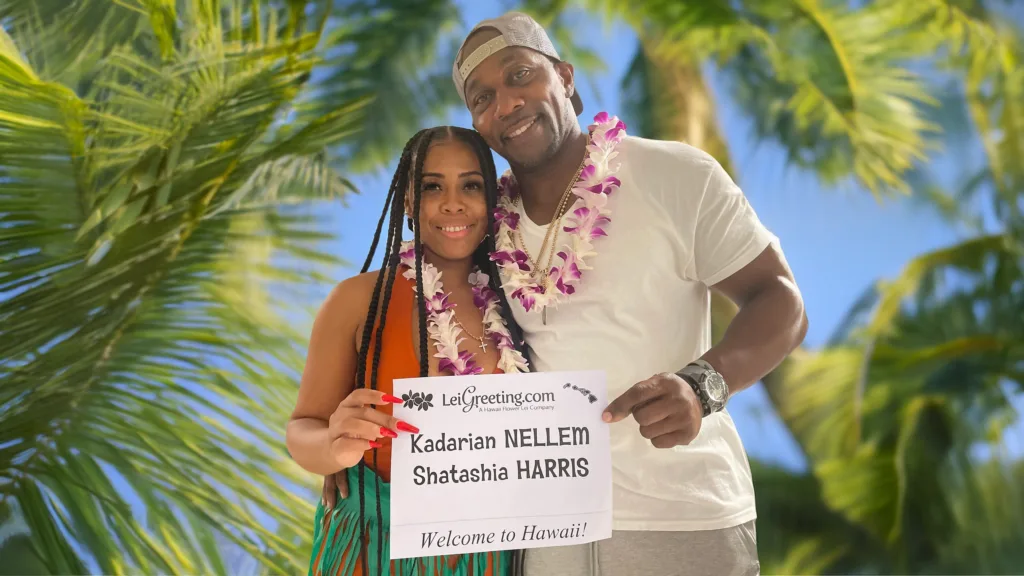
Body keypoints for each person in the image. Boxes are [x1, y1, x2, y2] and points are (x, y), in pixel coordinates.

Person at [449, 11, 809, 576]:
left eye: (521, 74)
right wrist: (351, 449)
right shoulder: (482, 226)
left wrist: (702, 385)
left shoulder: (675, 174)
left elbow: (780, 298)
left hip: (683, 517)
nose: (506, 103)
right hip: (550, 534)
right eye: (482, 98)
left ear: (564, 76)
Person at [286, 126, 531, 576]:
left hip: (489, 554)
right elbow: (303, 429)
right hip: (374, 544)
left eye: (471, 186)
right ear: (406, 201)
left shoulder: (520, 305)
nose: (453, 203)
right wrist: (336, 446)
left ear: (491, 199)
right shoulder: (359, 299)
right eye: (432, 186)